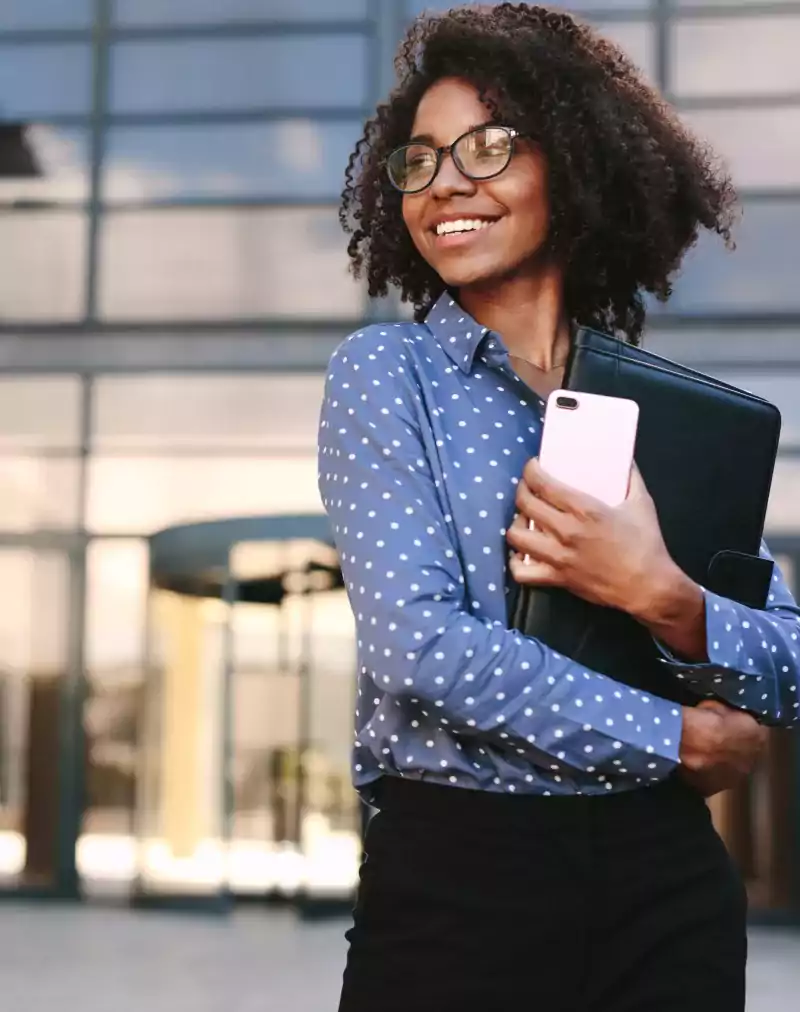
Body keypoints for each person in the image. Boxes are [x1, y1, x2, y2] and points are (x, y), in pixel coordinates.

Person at [317, 5, 800, 1010]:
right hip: (460, 877)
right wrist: (678, 737)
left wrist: (660, 593)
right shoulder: (389, 375)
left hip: (665, 882)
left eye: (487, 147)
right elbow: (418, 649)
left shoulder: (667, 418)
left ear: (573, 166)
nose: (445, 181)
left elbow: (785, 662)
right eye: (418, 160)